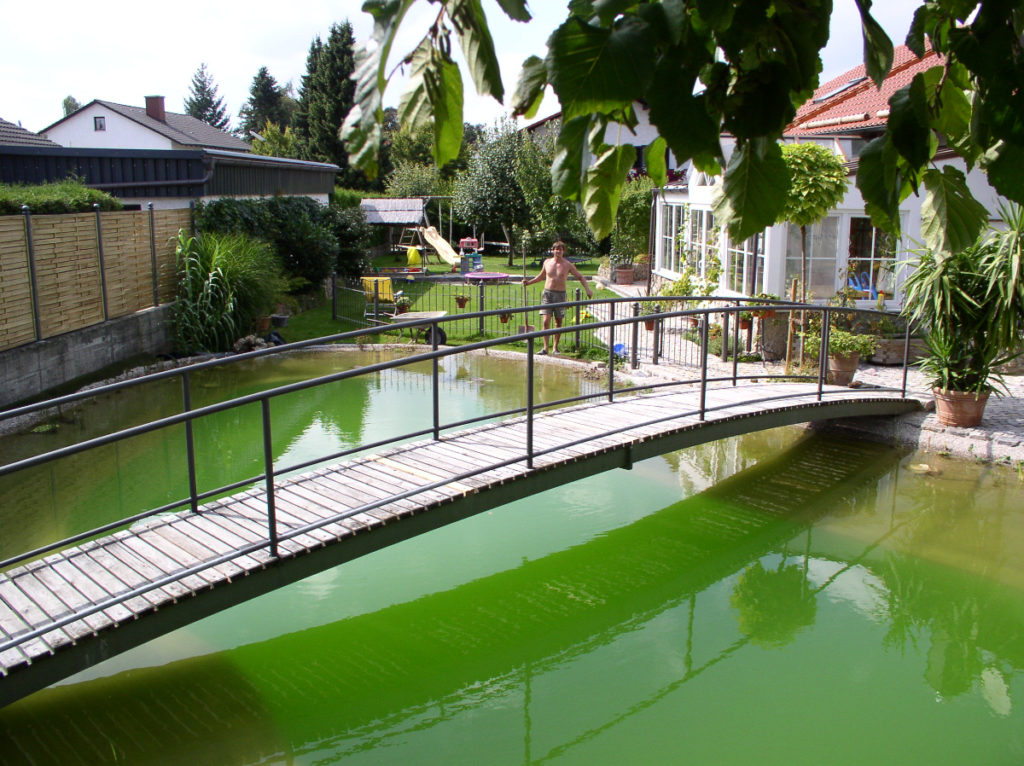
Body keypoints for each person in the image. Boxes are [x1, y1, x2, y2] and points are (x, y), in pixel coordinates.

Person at [524, 240, 593, 355]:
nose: (558, 251)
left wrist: (588, 289)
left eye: (560, 249)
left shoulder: (567, 265)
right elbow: (541, 277)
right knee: (546, 322)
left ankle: (555, 348)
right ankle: (545, 348)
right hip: (547, 294)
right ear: (553, 250)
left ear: (563, 251)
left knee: (558, 322)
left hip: (560, 296)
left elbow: (580, 277)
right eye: (556, 249)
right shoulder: (547, 262)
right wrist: (528, 282)